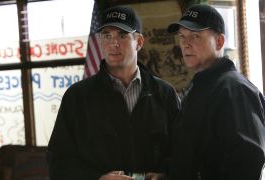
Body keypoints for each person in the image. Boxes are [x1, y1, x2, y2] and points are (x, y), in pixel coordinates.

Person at [47, 5, 180, 180]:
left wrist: (166, 175)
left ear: (139, 42)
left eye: (122, 35)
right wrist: (98, 179)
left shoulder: (165, 94)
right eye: (107, 35)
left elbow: (184, 153)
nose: (113, 43)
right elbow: (58, 164)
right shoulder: (77, 97)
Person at [166, 4, 265, 180]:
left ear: (220, 42)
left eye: (195, 36)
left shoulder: (233, 89)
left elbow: (247, 163)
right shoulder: (203, 86)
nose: (185, 44)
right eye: (182, 37)